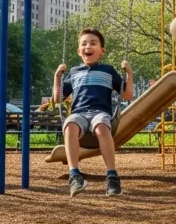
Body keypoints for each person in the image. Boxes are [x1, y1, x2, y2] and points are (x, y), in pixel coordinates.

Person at [53, 28, 133, 197]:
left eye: (93, 43)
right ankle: (75, 175)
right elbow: (58, 99)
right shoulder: (74, 72)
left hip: (100, 113)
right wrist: (57, 77)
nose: (88, 46)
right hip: (79, 113)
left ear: (101, 51)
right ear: (78, 51)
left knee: (102, 128)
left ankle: (112, 176)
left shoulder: (108, 70)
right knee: (70, 126)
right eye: (84, 44)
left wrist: (129, 73)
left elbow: (126, 94)